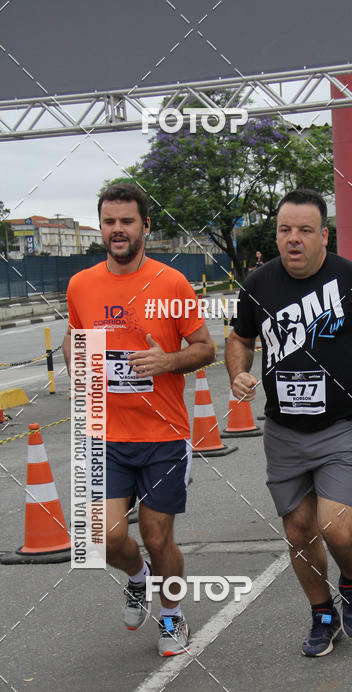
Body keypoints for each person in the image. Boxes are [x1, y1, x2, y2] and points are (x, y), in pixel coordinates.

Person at [225, 188, 352, 657]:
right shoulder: (259, 284)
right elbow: (240, 338)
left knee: (338, 529)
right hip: (283, 432)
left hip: (339, 427)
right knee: (299, 532)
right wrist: (238, 372)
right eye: (285, 230)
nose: (294, 238)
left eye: (305, 230)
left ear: (324, 235)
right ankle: (322, 614)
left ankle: (351, 583)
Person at [63, 183, 215, 656]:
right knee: (104, 539)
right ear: (100, 227)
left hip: (163, 435)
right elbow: (73, 336)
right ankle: (137, 576)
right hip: (105, 435)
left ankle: (172, 616)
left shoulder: (172, 284)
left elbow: (205, 348)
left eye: (127, 221)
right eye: (109, 221)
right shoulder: (81, 285)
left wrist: (167, 361)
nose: (118, 229)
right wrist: (76, 361)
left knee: (157, 535)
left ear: (145, 226)